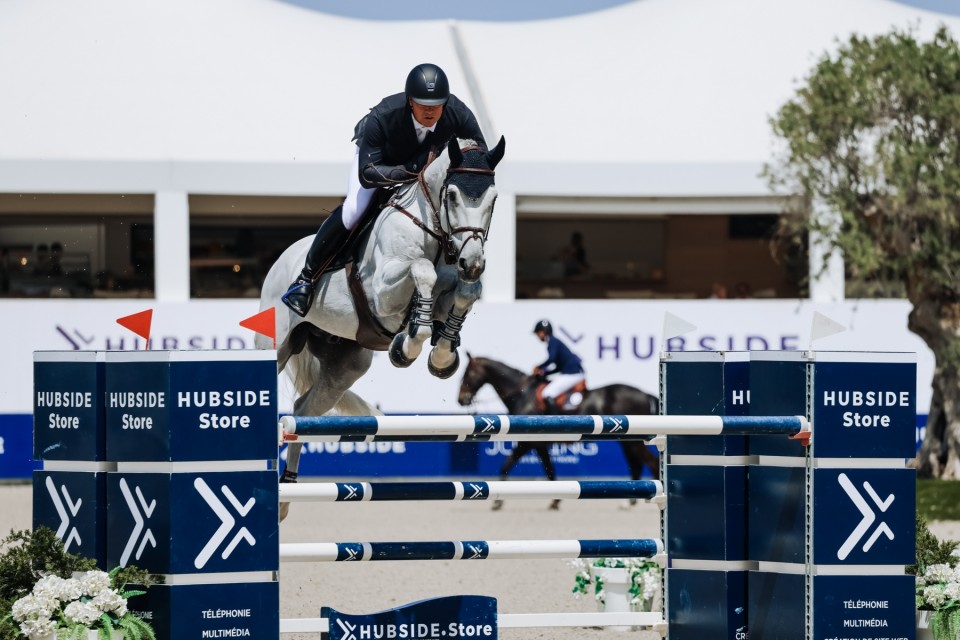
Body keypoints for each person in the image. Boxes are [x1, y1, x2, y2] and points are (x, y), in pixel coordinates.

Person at [281, 63, 488, 317]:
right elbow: (368, 174)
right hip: (382, 164)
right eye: (423, 104)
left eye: (436, 104)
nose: (431, 110)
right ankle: (306, 279)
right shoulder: (384, 115)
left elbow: (480, 157)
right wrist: (413, 168)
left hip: (426, 173)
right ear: (409, 101)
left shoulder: (458, 112)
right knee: (353, 211)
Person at [531, 319, 585, 413]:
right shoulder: (554, 341)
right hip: (572, 372)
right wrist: (546, 372)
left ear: (543, 332)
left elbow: (551, 359)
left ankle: (555, 422)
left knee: (547, 393)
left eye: (538, 333)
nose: (537, 336)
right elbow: (558, 367)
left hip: (572, 374)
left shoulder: (552, 342)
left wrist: (539, 367)